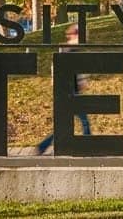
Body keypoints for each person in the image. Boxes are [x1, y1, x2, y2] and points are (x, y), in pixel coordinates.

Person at [36, 24, 91, 155]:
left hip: (65, 91)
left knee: (66, 123)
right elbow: (76, 70)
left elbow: (55, 70)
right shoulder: (71, 50)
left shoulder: (65, 50)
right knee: (82, 120)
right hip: (71, 91)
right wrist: (82, 81)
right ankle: (88, 144)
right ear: (74, 35)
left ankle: (43, 146)